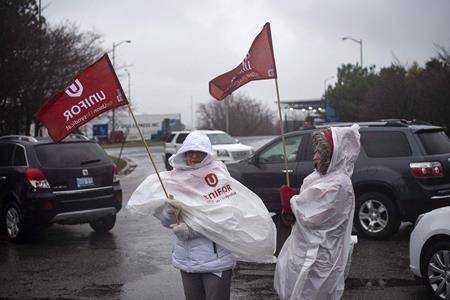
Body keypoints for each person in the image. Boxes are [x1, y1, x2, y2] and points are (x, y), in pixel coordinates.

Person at [274, 124, 361, 300]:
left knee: (313, 293)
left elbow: (313, 217)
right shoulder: (320, 177)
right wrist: (289, 213)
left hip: (321, 257)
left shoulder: (339, 184)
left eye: (319, 153)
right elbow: (302, 214)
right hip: (305, 250)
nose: (314, 156)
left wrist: (291, 202)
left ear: (333, 155)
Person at [157, 131, 236, 300]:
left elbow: (225, 218)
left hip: (215, 261)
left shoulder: (219, 177)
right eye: (190, 153)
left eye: (199, 153)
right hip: (186, 261)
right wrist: (169, 212)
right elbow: (166, 222)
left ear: (206, 155)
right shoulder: (175, 179)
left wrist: (191, 230)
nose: (193, 157)